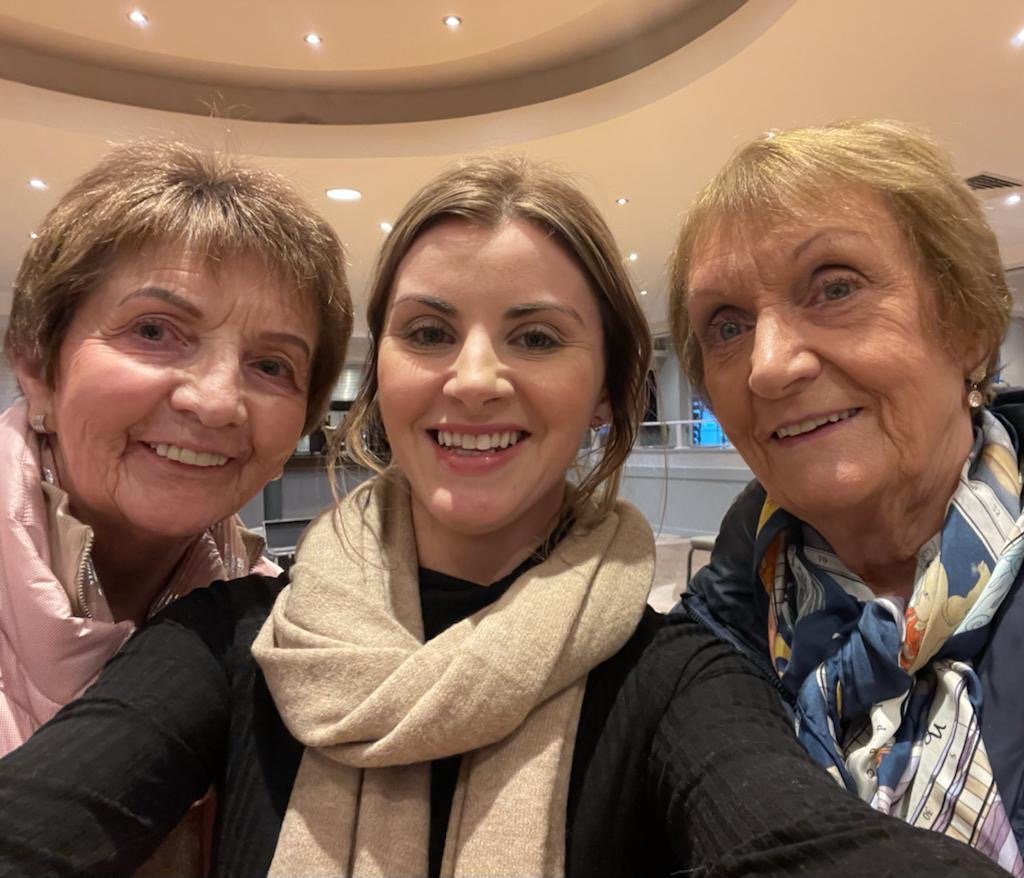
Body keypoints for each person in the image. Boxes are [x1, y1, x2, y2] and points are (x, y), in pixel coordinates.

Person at [0, 155, 1008, 878]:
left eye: (534, 336)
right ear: (377, 380)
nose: (474, 378)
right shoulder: (233, 635)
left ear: (607, 392)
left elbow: (800, 837)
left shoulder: (675, 672)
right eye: (429, 330)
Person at [669, 119, 1024, 873]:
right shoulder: (706, 642)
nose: (767, 366)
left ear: (962, 321)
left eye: (834, 287)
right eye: (726, 325)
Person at [0, 140, 352, 872]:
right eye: (154, 331)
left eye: (270, 365)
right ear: (37, 364)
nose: (218, 402)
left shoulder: (273, 631)